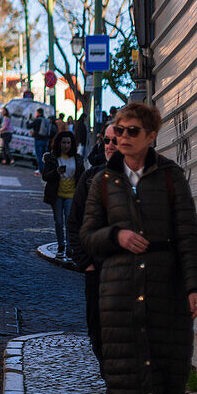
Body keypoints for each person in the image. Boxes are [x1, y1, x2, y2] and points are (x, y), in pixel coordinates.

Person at [80, 102, 197, 394]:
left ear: (151, 136)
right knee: (128, 381)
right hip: (118, 292)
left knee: (168, 374)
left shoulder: (171, 178)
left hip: (164, 288)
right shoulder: (102, 181)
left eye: (132, 131)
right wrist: (115, 236)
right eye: (119, 131)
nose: (122, 137)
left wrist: (195, 286)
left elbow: (189, 235)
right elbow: (87, 236)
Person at [67, 122, 119, 369]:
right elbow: (74, 222)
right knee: (96, 328)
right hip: (95, 271)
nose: (110, 146)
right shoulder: (89, 179)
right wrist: (85, 262)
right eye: (106, 140)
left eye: (115, 141)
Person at [41, 130, 85, 259]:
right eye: (64, 142)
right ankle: (61, 245)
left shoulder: (77, 158)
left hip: (71, 195)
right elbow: (45, 176)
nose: (66, 145)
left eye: (69, 143)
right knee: (59, 222)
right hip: (57, 195)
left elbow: (82, 176)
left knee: (69, 222)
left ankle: (70, 248)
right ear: (59, 143)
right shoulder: (53, 158)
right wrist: (56, 172)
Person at [27, 107, 49, 175]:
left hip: (38, 139)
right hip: (45, 140)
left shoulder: (37, 120)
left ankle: (41, 170)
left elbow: (28, 126)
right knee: (44, 156)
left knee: (39, 156)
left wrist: (28, 120)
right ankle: (45, 170)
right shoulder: (46, 120)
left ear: (38, 113)